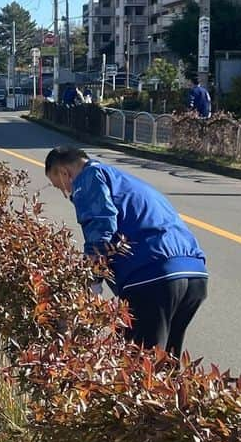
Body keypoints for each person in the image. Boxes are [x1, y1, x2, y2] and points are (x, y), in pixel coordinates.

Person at [44, 146, 208, 355]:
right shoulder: (124, 180)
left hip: (151, 275)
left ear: (64, 173)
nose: (65, 192)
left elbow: (100, 228)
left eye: (59, 186)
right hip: (194, 274)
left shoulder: (88, 177)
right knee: (165, 364)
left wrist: (90, 281)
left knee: (137, 364)